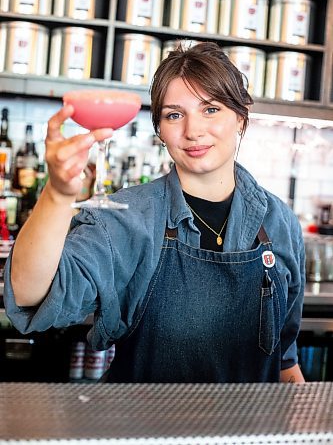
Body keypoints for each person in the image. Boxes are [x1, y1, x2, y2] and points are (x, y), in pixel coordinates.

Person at [4, 42, 305, 383]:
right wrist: (57, 195)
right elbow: (30, 295)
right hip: (144, 430)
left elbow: (284, 362)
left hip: (249, 433)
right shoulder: (127, 218)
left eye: (210, 109)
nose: (193, 130)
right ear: (160, 130)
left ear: (240, 116)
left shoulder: (279, 222)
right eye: (174, 115)